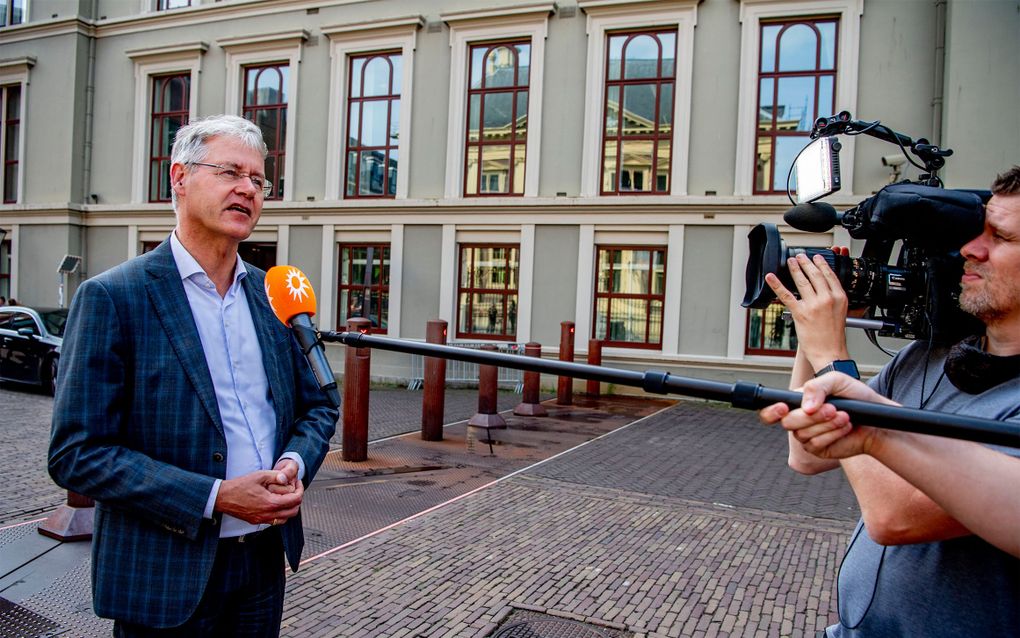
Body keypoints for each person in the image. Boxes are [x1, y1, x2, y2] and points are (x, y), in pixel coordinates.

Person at [48, 115, 338, 636]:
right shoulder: (115, 297)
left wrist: (294, 462)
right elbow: (77, 453)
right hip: (163, 576)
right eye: (230, 172)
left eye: (258, 180)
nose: (247, 189)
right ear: (179, 178)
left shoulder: (273, 295)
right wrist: (215, 496)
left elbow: (319, 405)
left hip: (262, 565)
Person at [759, 166, 1020, 637]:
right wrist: (814, 326)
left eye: (999, 237)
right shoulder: (928, 358)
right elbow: (806, 454)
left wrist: (830, 355)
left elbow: (895, 515)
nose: (970, 250)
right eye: (975, 232)